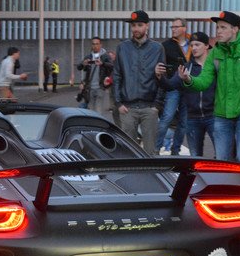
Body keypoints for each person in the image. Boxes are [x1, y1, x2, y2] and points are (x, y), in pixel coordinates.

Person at [178, 11, 240, 164]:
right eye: (217, 28)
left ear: (235, 29)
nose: (218, 31)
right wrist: (189, 79)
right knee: (222, 161)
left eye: (223, 27)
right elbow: (204, 81)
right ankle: (226, 188)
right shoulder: (215, 53)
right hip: (221, 115)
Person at [113, 10, 165, 156]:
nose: (136, 28)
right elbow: (117, 76)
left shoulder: (157, 48)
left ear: (147, 26)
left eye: (139, 25)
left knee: (150, 153)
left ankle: (152, 178)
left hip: (149, 108)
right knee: (128, 153)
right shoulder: (123, 48)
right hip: (127, 108)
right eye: (133, 25)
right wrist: (118, 103)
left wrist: (156, 105)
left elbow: (162, 77)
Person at [155, 31, 215, 157]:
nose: (193, 48)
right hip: (193, 118)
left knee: (221, 155)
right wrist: (160, 76)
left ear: (207, 46)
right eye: (192, 45)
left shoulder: (216, 66)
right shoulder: (187, 67)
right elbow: (170, 85)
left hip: (214, 116)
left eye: (197, 45)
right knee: (195, 157)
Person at [158, 18, 190, 155]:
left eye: (176, 27)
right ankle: (156, 146)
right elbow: (162, 64)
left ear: (184, 28)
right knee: (167, 117)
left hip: (189, 86)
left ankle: (175, 149)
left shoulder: (192, 43)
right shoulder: (167, 45)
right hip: (173, 86)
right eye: (172, 27)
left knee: (183, 121)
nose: (173, 29)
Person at [77, 37, 113, 115]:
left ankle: (98, 125)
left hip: (100, 86)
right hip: (89, 88)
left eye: (97, 44)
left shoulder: (105, 56)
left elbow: (112, 66)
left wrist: (102, 64)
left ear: (100, 45)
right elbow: (79, 67)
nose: (95, 46)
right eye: (93, 44)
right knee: (90, 110)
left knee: (98, 110)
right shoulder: (89, 57)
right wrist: (83, 63)